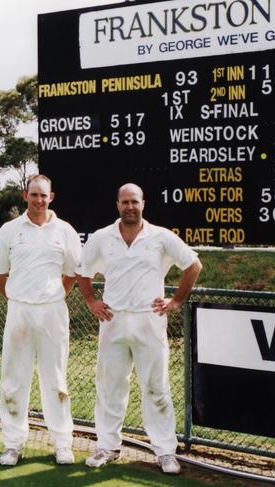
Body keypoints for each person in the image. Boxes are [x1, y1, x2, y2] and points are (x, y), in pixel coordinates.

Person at [76, 183, 202, 475]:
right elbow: (82, 271)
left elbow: (193, 265)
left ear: (143, 203)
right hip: (113, 321)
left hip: (149, 319)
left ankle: (165, 451)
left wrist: (177, 299)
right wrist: (91, 300)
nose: (130, 207)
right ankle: (107, 446)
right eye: (125, 202)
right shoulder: (102, 237)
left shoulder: (160, 236)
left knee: (156, 387)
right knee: (109, 386)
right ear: (117, 204)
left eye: (135, 201)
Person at [0, 174, 81, 466]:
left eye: (44, 195)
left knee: (56, 379)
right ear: (25, 196)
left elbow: (72, 274)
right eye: (34, 195)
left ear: (51, 197)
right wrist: (19, 297)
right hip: (19, 312)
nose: (39, 200)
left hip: (53, 312)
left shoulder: (65, 231)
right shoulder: (10, 230)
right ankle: (13, 445)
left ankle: (62, 444)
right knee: (14, 379)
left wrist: (51, 296)